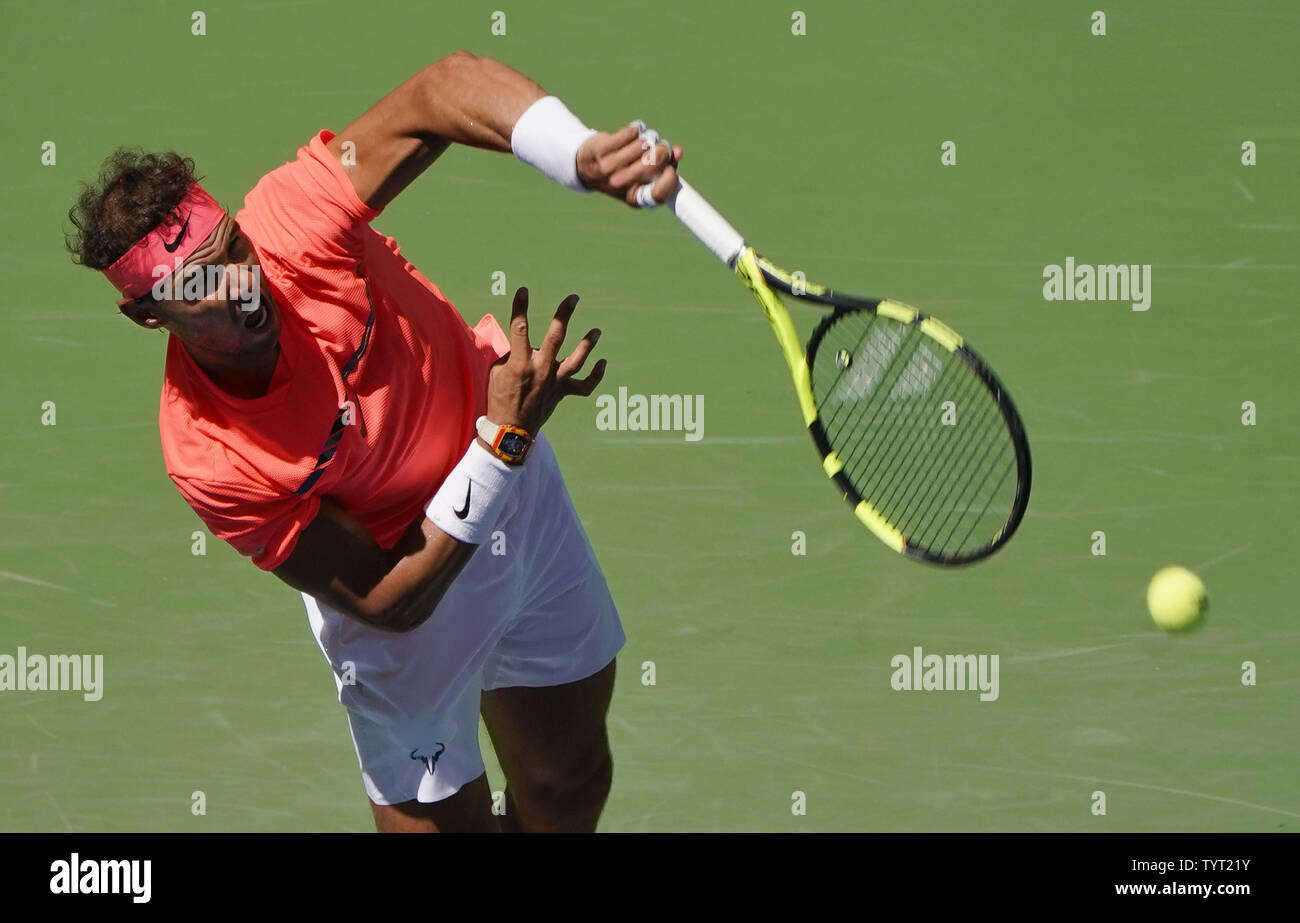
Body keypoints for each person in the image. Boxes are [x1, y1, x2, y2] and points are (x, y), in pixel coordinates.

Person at [66, 51, 683, 832]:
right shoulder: (208, 453)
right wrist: (502, 440)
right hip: (408, 600)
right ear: (147, 314)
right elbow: (388, 598)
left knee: (570, 782)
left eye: (233, 252)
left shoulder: (294, 218)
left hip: (519, 515)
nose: (240, 288)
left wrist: (574, 152)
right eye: (198, 286)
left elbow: (441, 91)